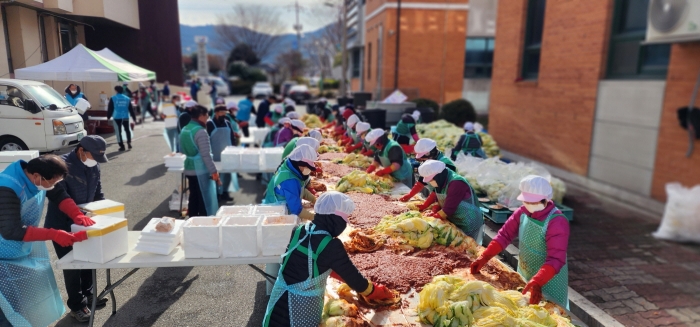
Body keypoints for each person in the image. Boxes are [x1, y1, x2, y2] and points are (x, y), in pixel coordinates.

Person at [263, 192, 395, 327]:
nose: (344, 225)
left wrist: (348, 280)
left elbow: (317, 264)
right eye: (344, 220)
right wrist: (375, 291)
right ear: (334, 219)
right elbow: (355, 279)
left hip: (277, 303)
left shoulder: (300, 230)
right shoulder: (331, 246)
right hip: (299, 312)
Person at [0, 155, 88, 326]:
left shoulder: (39, 177)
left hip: (20, 247)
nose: (53, 185)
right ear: (36, 176)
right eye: (52, 182)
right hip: (3, 251)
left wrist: (75, 213)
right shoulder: (7, 188)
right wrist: (54, 234)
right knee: (7, 309)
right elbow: (11, 230)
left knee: (26, 302)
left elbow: (58, 194)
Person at [470, 175, 569, 309]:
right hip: (526, 272)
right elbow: (504, 235)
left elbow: (556, 259)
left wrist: (538, 281)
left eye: (533, 202)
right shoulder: (522, 212)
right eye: (526, 201)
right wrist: (485, 257)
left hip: (550, 279)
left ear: (545, 199)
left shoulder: (557, 222)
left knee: (549, 313)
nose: (528, 205)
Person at [44, 136, 109, 322]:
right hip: (61, 225)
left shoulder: (93, 165)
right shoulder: (61, 166)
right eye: (93, 156)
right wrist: (77, 215)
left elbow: (98, 193)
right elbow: (60, 196)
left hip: (82, 222)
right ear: (81, 150)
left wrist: (106, 212)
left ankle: (89, 295)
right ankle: (77, 306)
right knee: (72, 266)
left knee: (88, 260)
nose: (95, 161)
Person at [416, 160, 483, 244]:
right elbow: (437, 194)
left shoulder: (457, 183)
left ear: (438, 176)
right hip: (456, 219)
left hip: (469, 221)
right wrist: (431, 206)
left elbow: (448, 209)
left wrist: (430, 219)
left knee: (470, 247)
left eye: (431, 179)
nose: (430, 182)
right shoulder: (442, 180)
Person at [180, 105, 220, 217]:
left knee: (194, 195)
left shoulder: (185, 128)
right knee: (203, 197)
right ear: (201, 116)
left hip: (188, 167)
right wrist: (214, 171)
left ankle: (192, 218)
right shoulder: (200, 131)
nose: (208, 117)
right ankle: (203, 221)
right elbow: (206, 155)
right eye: (207, 115)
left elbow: (181, 149)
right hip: (200, 169)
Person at [263, 144, 317, 221]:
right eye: (307, 167)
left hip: (279, 205)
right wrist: (314, 217)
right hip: (277, 214)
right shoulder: (290, 180)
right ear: (299, 164)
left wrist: (313, 199)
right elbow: (296, 210)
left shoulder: (289, 167)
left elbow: (300, 189)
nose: (308, 170)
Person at [207, 105, 238, 203]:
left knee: (227, 174)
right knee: (216, 175)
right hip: (215, 154)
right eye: (222, 113)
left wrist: (234, 150)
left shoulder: (228, 123)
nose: (224, 115)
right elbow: (207, 140)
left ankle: (225, 192)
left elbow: (232, 138)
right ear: (216, 112)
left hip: (228, 155)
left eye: (225, 113)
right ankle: (216, 194)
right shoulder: (209, 124)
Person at [107, 86, 137, 151]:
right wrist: (134, 117)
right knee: (127, 130)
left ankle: (122, 146)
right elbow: (131, 109)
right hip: (125, 116)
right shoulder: (127, 98)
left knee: (118, 132)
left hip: (117, 117)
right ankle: (129, 142)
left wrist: (108, 116)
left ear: (116, 90)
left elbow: (110, 108)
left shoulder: (113, 98)